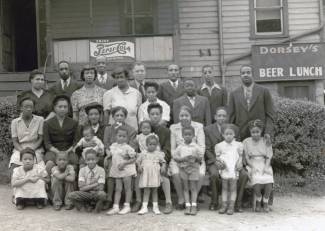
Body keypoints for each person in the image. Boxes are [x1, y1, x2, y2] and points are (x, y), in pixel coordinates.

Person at [228, 64, 275, 211]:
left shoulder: (263, 91)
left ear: (252, 74)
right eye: (243, 73)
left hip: (260, 135)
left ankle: (266, 200)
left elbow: (270, 115)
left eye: (248, 72)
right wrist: (233, 137)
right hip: (242, 135)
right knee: (243, 167)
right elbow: (231, 117)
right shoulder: (234, 93)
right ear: (240, 76)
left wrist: (267, 132)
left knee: (264, 165)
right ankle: (246, 199)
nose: (246, 75)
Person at [132, 103, 173, 214]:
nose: (155, 116)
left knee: (163, 174)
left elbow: (167, 149)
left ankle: (168, 202)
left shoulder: (166, 131)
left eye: (157, 114)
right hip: (145, 160)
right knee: (137, 173)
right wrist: (141, 161)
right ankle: (139, 200)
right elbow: (138, 148)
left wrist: (160, 161)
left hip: (159, 159)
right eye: (152, 114)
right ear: (149, 115)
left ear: (161, 115)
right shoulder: (144, 129)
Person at [169, 105, 206, 210]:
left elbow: (202, 146)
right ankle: (182, 199)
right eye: (181, 115)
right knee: (175, 173)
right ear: (178, 116)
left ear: (191, 116)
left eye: (186, 115)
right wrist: (179, 159)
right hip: (179, 158)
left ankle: (193, 198)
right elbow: (173, 149)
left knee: (201, 173)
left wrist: (195, 158)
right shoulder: (173, 128)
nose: (184, 118)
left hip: (195, 157)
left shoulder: (198, 127)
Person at [103, 106, 137, 209]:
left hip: (126, 155)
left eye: (121, 115)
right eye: (116, 115)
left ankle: (128, 199)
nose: (119, 117)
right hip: (112, 154)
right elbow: (106, 143)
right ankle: (109, 198)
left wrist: (124, 156)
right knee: (110, 166)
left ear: (125, 117)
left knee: (126, 169)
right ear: (113, 117)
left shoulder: (131, 130)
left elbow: (132, 146)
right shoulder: (108, 129)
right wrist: (109, 155)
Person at [43, 95, 79, 175]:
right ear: (55, 108)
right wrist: (58, 152)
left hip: (69, 150)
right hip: (53, 150)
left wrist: (67, 151)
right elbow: (47, 143)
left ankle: (69, 184)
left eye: (65, 107)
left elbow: (76, 141)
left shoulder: (73, 123)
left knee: (74, 163)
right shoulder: (47, 123)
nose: (62, 109)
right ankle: (49, 184)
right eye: (60, 106)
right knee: (49, 163)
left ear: (68, 108)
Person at [243, 119, 274, 213]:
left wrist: (266, 167)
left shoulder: (265, 141)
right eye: (253, 132)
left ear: (261, 131)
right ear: (250, 132)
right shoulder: (246, 142)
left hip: (264, 163)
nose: (255, 134)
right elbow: (246, 158)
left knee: (268, 179)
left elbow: (269, 156)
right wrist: (252, 166)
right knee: (256, 179)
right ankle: (258, 199)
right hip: (252, 163)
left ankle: (265, 201)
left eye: (257, 132)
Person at [173, 126, 204, 215]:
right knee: (186, 188)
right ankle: (187, 205)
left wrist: (195, 157)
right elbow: (175, 157)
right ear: (182, 136)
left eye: (190, 134)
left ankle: (193, 205)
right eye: (185, 135)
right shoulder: (180, 147)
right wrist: (183, 159)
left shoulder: (196, 147)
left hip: (194, 168)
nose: (187, 136)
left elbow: (200, 158)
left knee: (193, 188)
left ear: (193, 135)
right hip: (184, 169)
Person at [106, 126, 137, 215]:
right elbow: (111, 155)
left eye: (124, 136)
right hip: (117, 170)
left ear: (127, 138)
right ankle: (115, 207)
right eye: (120, 136)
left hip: (126, 169)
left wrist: (124, 163)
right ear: (116, 136)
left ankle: (127, 206)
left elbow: (133, 159)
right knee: (118, 188)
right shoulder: (113, 146)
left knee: (127, 188)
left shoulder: (128, 148)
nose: (122, 138)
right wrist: (106, 157)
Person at [9, 97, 44, 173]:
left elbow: (40, 139)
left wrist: (31, 150)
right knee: (15, 163)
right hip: (20, 148)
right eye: (26, 107)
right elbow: (15, 141)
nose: (28, 109)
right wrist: (22, 151)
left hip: (35, 148)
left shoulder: (40, 120)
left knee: (35, 166)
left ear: (33, 108)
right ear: (21, 108)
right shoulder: (15, 122)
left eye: (31, 107)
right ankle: (16, 183)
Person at [215, 124, 243, 215]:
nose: (229, 136)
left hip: (234, 169)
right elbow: (217, 158)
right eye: (226, 134)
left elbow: (240, 157)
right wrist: (221, 163)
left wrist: (239, 162)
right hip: (225, 169)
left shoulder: (238, 145)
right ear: (223, 135)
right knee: (225, 188)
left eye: (231, 134)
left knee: (233, 189)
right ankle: (224, 205)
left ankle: (231, 206)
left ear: (234, 134)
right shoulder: (219, 146)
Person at [103, 66, 142, 130]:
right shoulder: (109, 93)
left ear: (127, 77)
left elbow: (139, 114)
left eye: (121, 77)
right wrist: (106, 129)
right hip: (115, 130)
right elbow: (106, 114)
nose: (119, 80)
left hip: (132, 129)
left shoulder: (136, 93)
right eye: (117, 78)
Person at [67, 149, 106, 213]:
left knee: (102, 194)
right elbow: (81, 188)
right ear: (85, 161)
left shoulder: (101, 170)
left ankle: (96, 209)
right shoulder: (82, 170)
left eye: (93, 159)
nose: (90, 162)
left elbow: (101, 187)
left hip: (96, 193)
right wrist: (96, 184)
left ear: (97, 159)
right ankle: (84, 208)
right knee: (71, 195)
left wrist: (86, 186)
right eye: (88, 160)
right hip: (86, 194)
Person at [204, 107, 228, 210]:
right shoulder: (208, 129)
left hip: (228, 160)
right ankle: (214, 201)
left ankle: (232, 202)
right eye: (219, 115)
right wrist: (215, 161)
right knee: (214, 174)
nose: (221, 118)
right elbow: (207, 149)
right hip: (213, 160)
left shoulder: (231, 128)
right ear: (215, 117)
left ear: (226, 117)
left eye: (223, 116)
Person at [137, 134, 166, 215]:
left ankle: (155, 207)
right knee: (146, 190)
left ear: (156, 145)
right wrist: (139, 166)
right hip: (146, 173)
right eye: (150, 144)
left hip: (155, 174)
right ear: (146, 145)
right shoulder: (143, 153)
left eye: (154, 144)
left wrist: (163, 166)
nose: (152, 146)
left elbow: (163, 161)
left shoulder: (158, 153)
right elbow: (138, 161)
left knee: (154, 190)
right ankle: (144, 207)